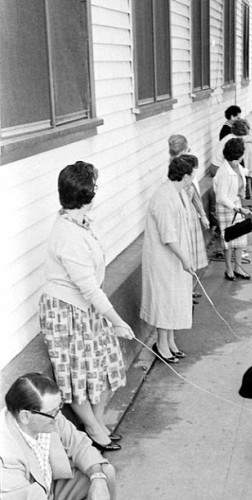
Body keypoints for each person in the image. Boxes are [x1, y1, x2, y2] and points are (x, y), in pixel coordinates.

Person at [39, 161, 134, 452]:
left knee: (106, 368)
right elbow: (88, 287)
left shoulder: (77, 221)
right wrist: (117, 320)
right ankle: (92, 427)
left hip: (87, 308)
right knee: (78, 374)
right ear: (87, 193)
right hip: (67, 311)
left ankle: (98, 420)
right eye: (94, 185)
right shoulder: (67, 236)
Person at [0, 372, 116, 499]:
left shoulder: (51, 417)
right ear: (25, 416)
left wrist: (97, 478)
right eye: (52, 413)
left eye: (59, 407)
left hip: (51, 488)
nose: (58, 416)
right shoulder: (6, 455)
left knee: (105, 473)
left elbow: (80, 445)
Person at [140, 156, 196, 363]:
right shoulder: (164, 197)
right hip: (163, 259)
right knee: (165, 301)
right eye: (192, 175)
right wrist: (185, 260)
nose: (193, 179)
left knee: (172, 301)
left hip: (172, 259)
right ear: (185, 176)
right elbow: (168, 236)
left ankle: (170, 341)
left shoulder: (176, 193)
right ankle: (161, 345)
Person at [168, 135, 209, 302]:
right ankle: (185, 291)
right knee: (185, 253)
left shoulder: (188, 165)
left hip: (191, 214)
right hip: (183, 217)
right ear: (182, 151)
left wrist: (202, 214)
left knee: (191, 253)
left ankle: (189, 288)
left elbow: (196, 194)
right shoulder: (177, 170)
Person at [213, 138, 252, 280]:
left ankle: (238, 268)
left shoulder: (235, 165)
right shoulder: (224, 172)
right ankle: (229, 269)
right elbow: (221, 197)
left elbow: (242, 171)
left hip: (236, 204)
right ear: (238, 154)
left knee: (240, 239)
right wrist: (237, 208)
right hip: (227, 208)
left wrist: (250, 171)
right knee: (229, 240)